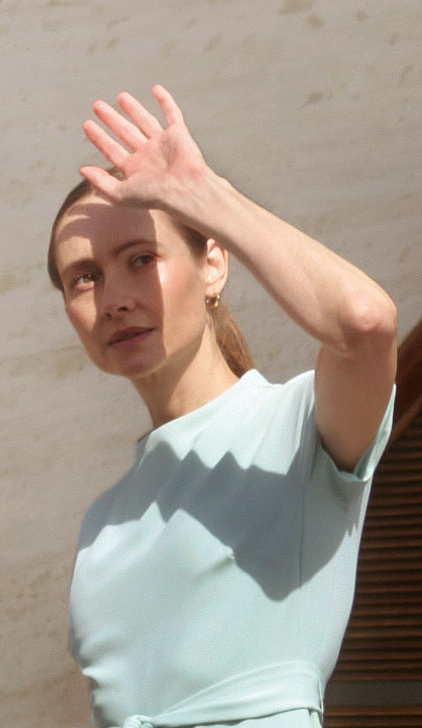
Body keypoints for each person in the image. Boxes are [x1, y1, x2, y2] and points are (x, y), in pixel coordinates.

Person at [51, 85, 399, 728]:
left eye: (141, 259)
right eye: (84, 277)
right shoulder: (102, 522)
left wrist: (204, 195)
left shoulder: (300, 426)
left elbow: (365, 321)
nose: (114, 298)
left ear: (212, 265)